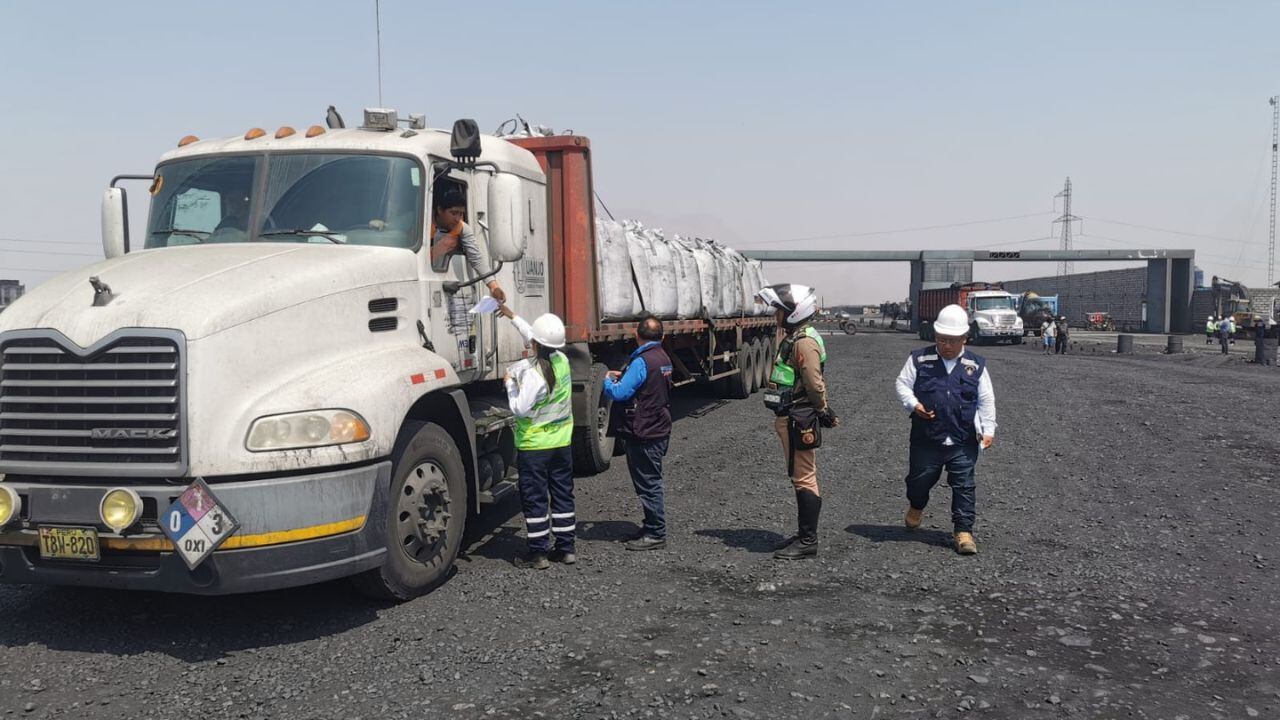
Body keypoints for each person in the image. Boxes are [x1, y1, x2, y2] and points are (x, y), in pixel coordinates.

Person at [895, 304, 997, 556]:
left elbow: (986, 399)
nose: (946, 346)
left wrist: (989, 429)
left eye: (952, 341)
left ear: (964, 338)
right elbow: (902, 384)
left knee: (964, 485)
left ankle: (963, 532)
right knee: (919, 482)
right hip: (926, 439)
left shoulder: (976, 365)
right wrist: (913, 404)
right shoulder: (920, 359)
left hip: (963, 439)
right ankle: (916, 505)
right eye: (942, 340)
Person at [756, 284, 840, 560]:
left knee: (804, 476)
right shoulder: (796, 337)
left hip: (799, 416)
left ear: (793, 312)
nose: (776, 315)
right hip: (793, 414)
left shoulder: (804, 341)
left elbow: (814, 382)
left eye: (779, 310)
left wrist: (823, 409)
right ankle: (804, 534)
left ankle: (807, 540)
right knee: (799, 475)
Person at [498, 304, 574, 568]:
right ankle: (566, 549)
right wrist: (512, 316)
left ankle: (538, 553)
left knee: (535, 499)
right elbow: (535, 335)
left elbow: (519, 408)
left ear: (536, 344)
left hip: (535, 446)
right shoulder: (562, 361)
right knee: (563, 495)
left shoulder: (533, 374)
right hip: (562, 443)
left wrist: (509, 382)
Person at [604, 315, 674, 551]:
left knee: (648, 483)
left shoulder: (642, 361)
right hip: (659, 426)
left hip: (644, 430)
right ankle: (651, 526)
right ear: (662, 336)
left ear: (637, 336)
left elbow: (620, 393)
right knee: (651, 479)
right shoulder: (663, 358)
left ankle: (656, 532)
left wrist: (607, 382)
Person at [430, 187, 506, 302]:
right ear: (440, 209)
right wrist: (437, 250)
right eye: (453, 213)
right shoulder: (421, 225)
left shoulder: (462, 228)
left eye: (461, 214)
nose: (457, 219)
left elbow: (476, 259)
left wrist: (494, 287)